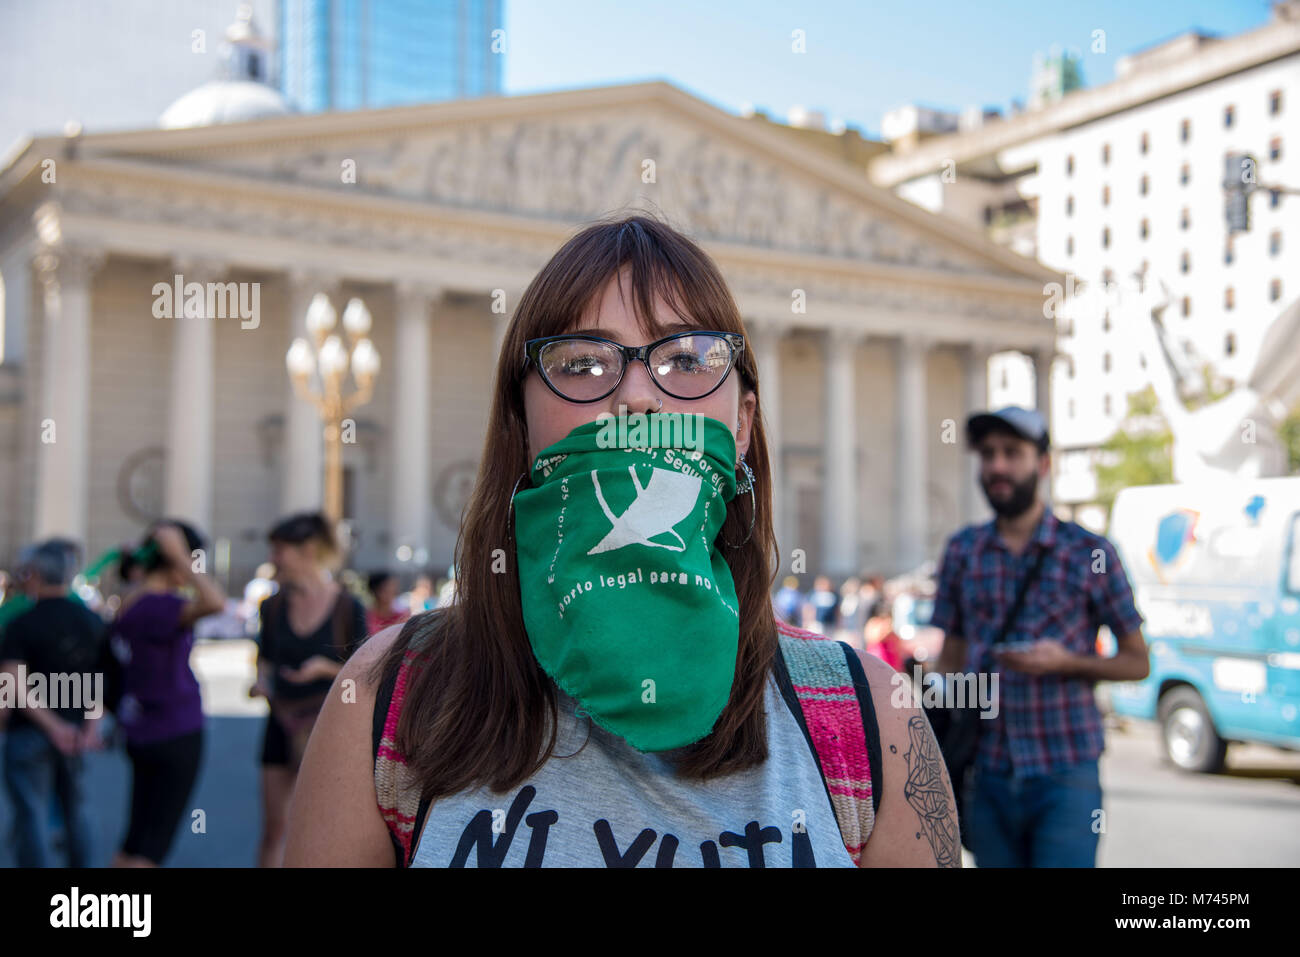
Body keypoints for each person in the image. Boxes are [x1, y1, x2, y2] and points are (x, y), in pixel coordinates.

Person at [284, 213, 958, 868]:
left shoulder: (872, 717)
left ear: (743, 422)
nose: (638, 398)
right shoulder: (388, 700)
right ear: (520, 420)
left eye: (688, 358)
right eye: (581, 363)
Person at [928, 406, 1149, 868]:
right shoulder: (962, 551)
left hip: (1065, 770)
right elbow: (949, 659)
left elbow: (1136, 661)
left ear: (1043, 465)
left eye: (1013, 453)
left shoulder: (1091, 553)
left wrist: (1066, 661)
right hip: (984, 771)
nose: (998, 466)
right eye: (988, 455)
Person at [250, 512, 367, 867]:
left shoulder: (348, 607)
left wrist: (325, 669)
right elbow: (265, 659)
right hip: (279, 724)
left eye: (280, 550)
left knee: (322, 830)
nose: (273, 559)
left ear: (308, 551)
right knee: (274, 830)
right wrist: (261, 681)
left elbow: (367, 674)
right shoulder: (271, 607)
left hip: (327, 729)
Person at [110, 521, 225, 867]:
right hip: (176, 728)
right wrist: (180, 557)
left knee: (135, 836)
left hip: (139, 730)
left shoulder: (129, 603)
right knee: (153, 844)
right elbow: (216, 602)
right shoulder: (165, 607)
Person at [0, 540, 107, 867]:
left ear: (33, 575)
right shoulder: (92, 622)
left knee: (31, 813)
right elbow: (100, 680)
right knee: (76, 809)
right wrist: (90, 726)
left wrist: (50, 726)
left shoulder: (21, 623)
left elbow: (11, 683)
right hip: (75, 731)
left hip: (30, 731)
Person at [366, 571, 408, 636]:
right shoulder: (366, 616)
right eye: (386, 589)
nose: (393, 591)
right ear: (376, 591)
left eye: (394, 587)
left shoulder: (402, 616)